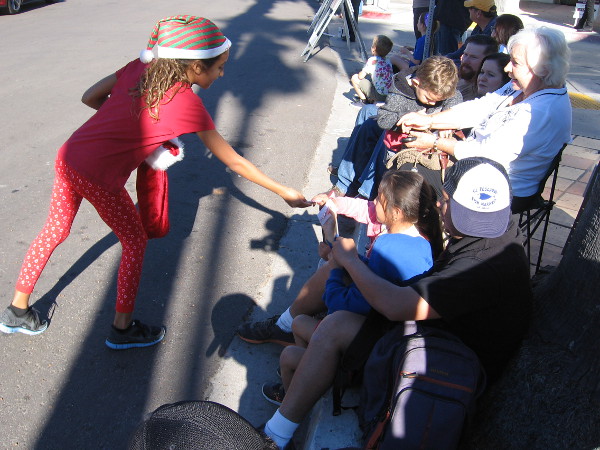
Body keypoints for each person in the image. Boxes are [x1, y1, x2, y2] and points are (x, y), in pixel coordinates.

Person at [0, 16, 311, 348]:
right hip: (97, 176)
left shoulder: (138, 67)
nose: (222, 74)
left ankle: (17, 310)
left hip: (70, 155)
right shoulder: (188, 105)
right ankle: (122, 328)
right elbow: (233, 161)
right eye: (218, 67)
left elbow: (90, 97)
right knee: (135, 241)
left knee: (55, 229)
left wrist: (121, 127)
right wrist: (283, 191)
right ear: (193, 68)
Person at [257, 157, 533, 449]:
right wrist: (352, 264)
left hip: (443, 361)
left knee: (334, 326)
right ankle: (298, 361)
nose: (440, 206)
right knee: (328, 317)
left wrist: (349, 262)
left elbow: (396, 306)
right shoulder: (498, 231)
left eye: (447, 201)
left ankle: (275, 436)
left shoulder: (480, 267)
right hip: (442, 338)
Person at [399, 26, 572, 208]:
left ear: (542, 69)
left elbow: (485, 154)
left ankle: (419, 232)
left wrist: (434, 142)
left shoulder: (539, 112)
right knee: (402, 155)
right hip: (476, 166)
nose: (507, 68)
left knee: (407, 178)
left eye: (515, 62)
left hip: (498, 188)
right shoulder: (524, 87)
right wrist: (431, 120)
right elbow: (481, 107)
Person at [327, 56, 462, 201]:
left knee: (380, 134)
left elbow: (456, 97)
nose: (433, 103)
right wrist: (409, 118)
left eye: (438, 101)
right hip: (400, 127)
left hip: (421, 138)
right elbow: (386, 118)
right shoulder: (400, 88)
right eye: (429, 99)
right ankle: (347, 181)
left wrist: (445, 118)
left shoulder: (438, 89)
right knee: (369, 123)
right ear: (416, 83)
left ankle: (366, 191)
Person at [446, 0, 498, 65]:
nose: (468, 10)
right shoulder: (479, 27)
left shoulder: (494, 31)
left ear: (478, 13)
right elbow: (462, 51)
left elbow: (477, 62)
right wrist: (444, 59)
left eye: (470, 8)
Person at [350, 35, 394, 106]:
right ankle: (371, 98)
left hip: (378, 95)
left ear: (374, 49)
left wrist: (361, 73)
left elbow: (360, 76)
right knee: (371, 79)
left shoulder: (372, 61)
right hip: (387, 95)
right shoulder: (388, 61)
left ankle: (363, 101)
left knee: (354, 78)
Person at [456, 34, 499, 101]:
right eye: (465, 54)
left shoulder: (482, 92)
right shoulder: (451, 78)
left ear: (487, 61)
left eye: (473, 57)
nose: (466, 61)